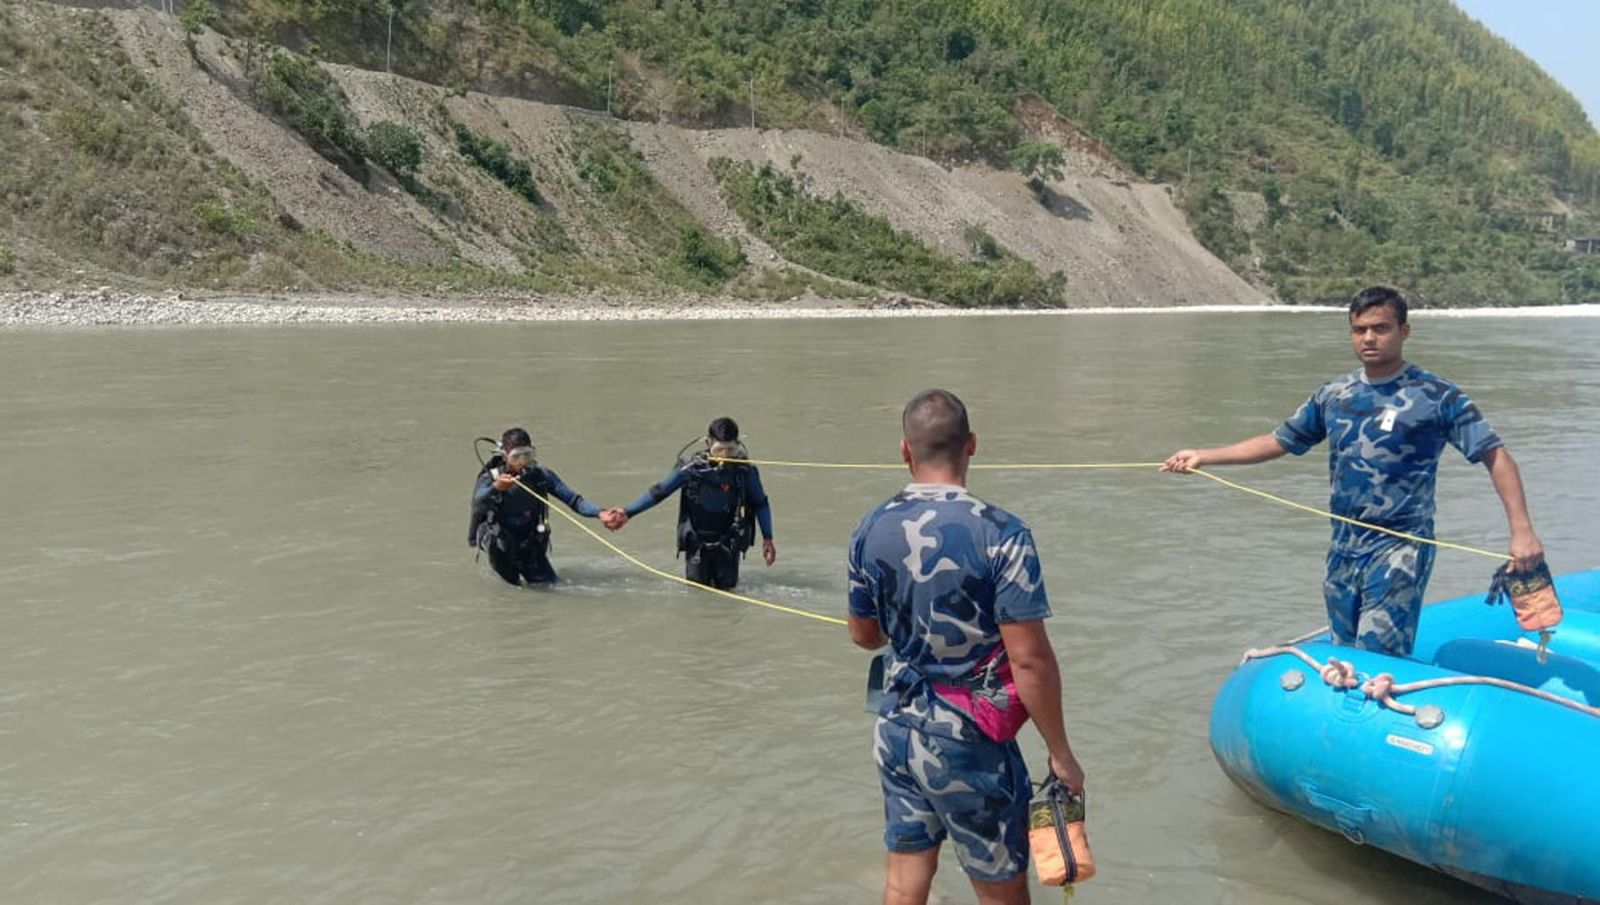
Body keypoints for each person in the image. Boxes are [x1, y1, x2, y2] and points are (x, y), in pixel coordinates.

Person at [1162, 285, 1544, 657]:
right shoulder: (1334, 394)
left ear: (1404, 331)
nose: (1369, 338)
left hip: (1401, 546)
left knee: (1378, 656)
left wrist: (1522, 531)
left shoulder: (1435, 395)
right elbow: (1278, 440)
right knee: (1344, 653)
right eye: (1360, 330)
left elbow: (1495, 456)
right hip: (1344, 548)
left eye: (1381, 328)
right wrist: (1204, 455)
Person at [847, 389, 1085, 905]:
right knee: (1000, 890)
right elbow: (1030, 659)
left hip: (897, 727)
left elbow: (864, 636)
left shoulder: (870, 527)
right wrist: (1061, 754)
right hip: (970, 739)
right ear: (971, 445)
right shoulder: (1002, 534)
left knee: (904, 880)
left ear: (905, 451)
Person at [600, 417, 775, 590]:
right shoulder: (691, 469)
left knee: (728, 589)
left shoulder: (744, 472)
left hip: (729, 538)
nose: (725, 456)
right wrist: (628, 512)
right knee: (698, 591)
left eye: (730, 450)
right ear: (708, 442)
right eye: (720, 449)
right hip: (696, 540)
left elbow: (761, 503)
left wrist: (768, 538)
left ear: (738, 445)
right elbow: (659, 492)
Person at [470, 427, 606, 586]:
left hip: (531, 541)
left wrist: (600, 513)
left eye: (527, 455)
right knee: (514, 591)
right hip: (501, 544)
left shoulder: (541, 476)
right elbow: (477, 502)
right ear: (504, 456)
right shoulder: (492, 477)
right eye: (516, 457)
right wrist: (496, 488)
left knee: (550, 587)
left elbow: (575, 501)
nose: (522, 461)